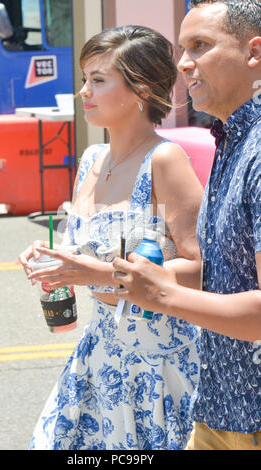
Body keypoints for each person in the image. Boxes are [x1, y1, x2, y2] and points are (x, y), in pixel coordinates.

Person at [19, 25, 203, 450]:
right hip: (99, 353)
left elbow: (200, 270)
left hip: (156, 364)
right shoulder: (90, 158)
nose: (85, 91)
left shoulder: (165, 160)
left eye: (98, 80)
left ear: (140, 90)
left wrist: (97, 273)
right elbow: (75, 238)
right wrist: (49, 255)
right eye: (85, 78)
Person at [113, 1, 261, 451]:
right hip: (220, 406)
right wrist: (110, 274)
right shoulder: (231, 136)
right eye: (182, 48)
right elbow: (223, 274)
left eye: (200, 46)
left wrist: (161, 294)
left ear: (255, 53)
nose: (182, 62)